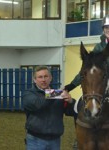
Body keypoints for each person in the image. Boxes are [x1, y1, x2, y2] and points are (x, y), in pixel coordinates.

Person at [64, 14, 109, 150]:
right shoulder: (98, 48)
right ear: (103, 30)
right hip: (100, 83)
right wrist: (71, 85)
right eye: (106, 28)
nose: (108, 30)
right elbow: (87, 69)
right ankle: (80, 138)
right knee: (78, 105)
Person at [23, 65, 76, 150]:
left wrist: (71, 101)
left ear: (50, 78)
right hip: (35, 140)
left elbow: (71, 112)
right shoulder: (28, 94)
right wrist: (57, 93)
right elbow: (38, 104)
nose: (43, 80)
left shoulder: (58, 94)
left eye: (46, 76)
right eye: (40, 77)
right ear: (34, 80)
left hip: (55, 141)